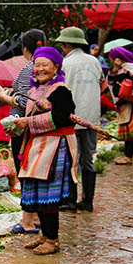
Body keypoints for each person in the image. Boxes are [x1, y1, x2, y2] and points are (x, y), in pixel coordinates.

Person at [12, 47, 78, 255]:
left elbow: (60, 117)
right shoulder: (35, 90)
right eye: (37, 65)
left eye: (45, 65)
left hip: (54, 148)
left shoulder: (61, 90)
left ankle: (53, 239)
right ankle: (45, 236)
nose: (40, 69)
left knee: (49, 194)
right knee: (39, 193)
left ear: (56, 67)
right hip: (38, 147)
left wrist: (28, 122)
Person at [0, 28, 46, 234]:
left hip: (24, 129)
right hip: (39, 128)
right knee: (35, 173)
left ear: (25, 48)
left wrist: (4, 96)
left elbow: (24, 101)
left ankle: (29, 220)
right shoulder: (48, 67)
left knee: (25, 172)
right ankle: (37, 218)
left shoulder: (29, 68)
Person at [55, 27, 103, 213]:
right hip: (91, 118)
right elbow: (100, 81)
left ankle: (71, 200)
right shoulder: (94, 62)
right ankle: (88, 201)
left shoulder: (65, 64)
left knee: (70, 160)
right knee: (87, 160)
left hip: (72, 119)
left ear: (66, 45)